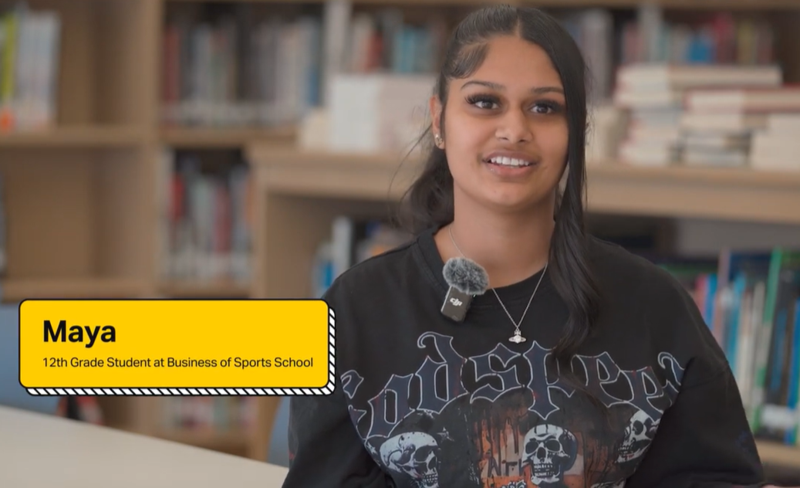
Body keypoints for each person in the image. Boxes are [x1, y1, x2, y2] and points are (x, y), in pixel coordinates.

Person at [283, 5, 785, 488]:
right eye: (485, 102)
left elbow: (710, 476)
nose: (515, 130)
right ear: (438, 119)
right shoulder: (352, 309)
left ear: (576, 132)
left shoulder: (655, 306)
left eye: (544, 108)